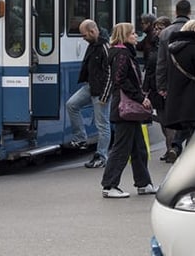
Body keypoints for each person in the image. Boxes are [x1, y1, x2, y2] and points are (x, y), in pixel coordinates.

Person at [99, 22, 157, 199]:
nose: (135, 36)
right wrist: (141, 98)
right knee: (121, 148)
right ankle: (109, 185)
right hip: (125, 107)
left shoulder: (120, 52)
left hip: (124, 108)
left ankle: (144, 183)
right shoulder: (123, 54)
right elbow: (121, 80)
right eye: (132, 33)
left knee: (138, 147)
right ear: (124, 36)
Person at [65, 19, 111, 169]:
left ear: (92, 32)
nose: (82, 38)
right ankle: (80, 138)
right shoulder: (93, 44)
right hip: (91, 86)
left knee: (102, 125)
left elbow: (110, 73)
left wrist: (104, 96)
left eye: (84, 35)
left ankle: (102, 156)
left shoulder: (105, 46)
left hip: (100, 91)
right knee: (72, 104)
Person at [155, 0, 191, 162]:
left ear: (176, 12)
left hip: (171, 82)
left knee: (173, 117)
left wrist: (161, 85)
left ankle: (173, 147)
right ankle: (189, 151)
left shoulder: (165, 33)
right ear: (189, 12)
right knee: (192, 118)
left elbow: (161, 63)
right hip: (192, 83)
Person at [144, 16, 174, 159]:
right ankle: (169, 148)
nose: (157, 32)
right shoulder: (154, 44)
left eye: (160, 28)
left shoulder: (172, 44)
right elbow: (150, 69)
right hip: (156, 87)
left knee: (168, 121)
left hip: (168, 87)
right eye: (155, 29)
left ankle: (172, 149)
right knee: (162, 119)